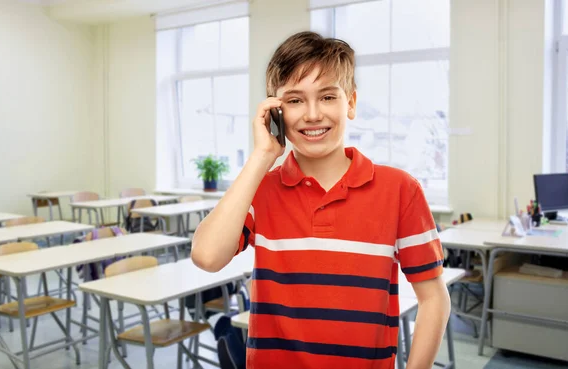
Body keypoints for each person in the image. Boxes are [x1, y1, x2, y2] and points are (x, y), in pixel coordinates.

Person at [192, 31, 450, 369]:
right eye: (295, 100)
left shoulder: (400, 190)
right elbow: (207, 256)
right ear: (275, 112)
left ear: (352, 103)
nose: (313, 114)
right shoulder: (260, 189)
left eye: (327, 97)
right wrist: (262, 155)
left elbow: (434, 300)